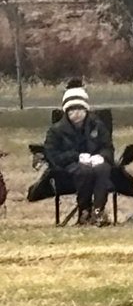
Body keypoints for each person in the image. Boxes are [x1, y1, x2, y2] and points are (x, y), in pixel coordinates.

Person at [43, 81, 115, 226]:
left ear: (86, 110)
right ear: (66, 112)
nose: (76, 114)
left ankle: (98, 211)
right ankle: (84, 210)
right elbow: (52, 155)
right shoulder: (56, 130)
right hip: (69, 168)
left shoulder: (97, 125)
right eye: (71, 111)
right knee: (84, 171)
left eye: (79, 110)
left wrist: (101, 156)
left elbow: (108, 147)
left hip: (95, 162)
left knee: (103, 169)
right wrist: (76, 157)